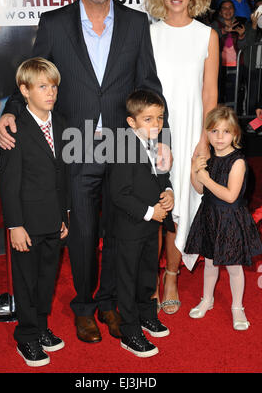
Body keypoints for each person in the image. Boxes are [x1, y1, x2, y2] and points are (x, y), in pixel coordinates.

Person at [0, 0, 168, 344]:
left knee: (123, 229)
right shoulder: (55, 23)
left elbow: (149, 86)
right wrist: (8, 110)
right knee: (85, 234)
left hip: (126, 149)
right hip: (75, 146)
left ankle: (111, 301)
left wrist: (163, 138)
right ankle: (85, 308)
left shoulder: (135, 22)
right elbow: (34, 75)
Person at [144, 0, 218, 314]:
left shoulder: (207, 36)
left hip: (190, 132)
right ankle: (149, 278)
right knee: (154, 205)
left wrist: (203, 143)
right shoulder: (148, 33)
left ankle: (171, 275)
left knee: (180, 208)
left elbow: (210, 95)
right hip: (152, 133)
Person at [0, 57, 70, 367]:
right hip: (26, 222)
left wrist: (64, 216)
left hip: (54, 219)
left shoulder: (62, 123)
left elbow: (64, 176)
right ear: (24, 91)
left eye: (53, 86)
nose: (50, 92)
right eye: (42, 87)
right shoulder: (13, 129)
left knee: (46, 279)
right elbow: (9, 183)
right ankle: (26, 337)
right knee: (26, 281)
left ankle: (41, 328)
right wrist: (15, 225)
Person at [184, 106, 262, 330]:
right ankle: (207, 299)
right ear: (207, 134)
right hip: (209, 216)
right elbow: (200, 190)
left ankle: (237, 307)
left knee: (233, 266)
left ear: (235, 135)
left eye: (226, 132)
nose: (219, 137)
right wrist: (194, 172)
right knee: (209, 262)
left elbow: (230, 196)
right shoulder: (208, 159)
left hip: (230, 219)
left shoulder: (238, 162)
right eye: (214, 131)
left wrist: (205, 178)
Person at [110, 90, 174, 358]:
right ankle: (129, 330)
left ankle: (147, 315)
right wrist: (151, 212)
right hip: (130, 227)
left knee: (148, 272)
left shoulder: (155, 144)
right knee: (127, 278)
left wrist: (169, 192)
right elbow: (119, 194)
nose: (156, 124)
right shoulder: (123, 148)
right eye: (148, 119)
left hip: (150, 226)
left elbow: (162, 177)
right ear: (132, 122)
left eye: (159, 118)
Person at [211, 0, 247, 104]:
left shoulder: (240, 25)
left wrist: (241, 36)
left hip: (237, 65)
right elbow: (210, 42)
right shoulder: (215, 25)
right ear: (220, 12)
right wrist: (223, 31)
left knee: (235, 97)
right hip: (219, 66)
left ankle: (233, 119)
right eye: (224, 8)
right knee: (219, 96)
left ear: (234, 10)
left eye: (230, 7)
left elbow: (243, 47)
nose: (228, 10)